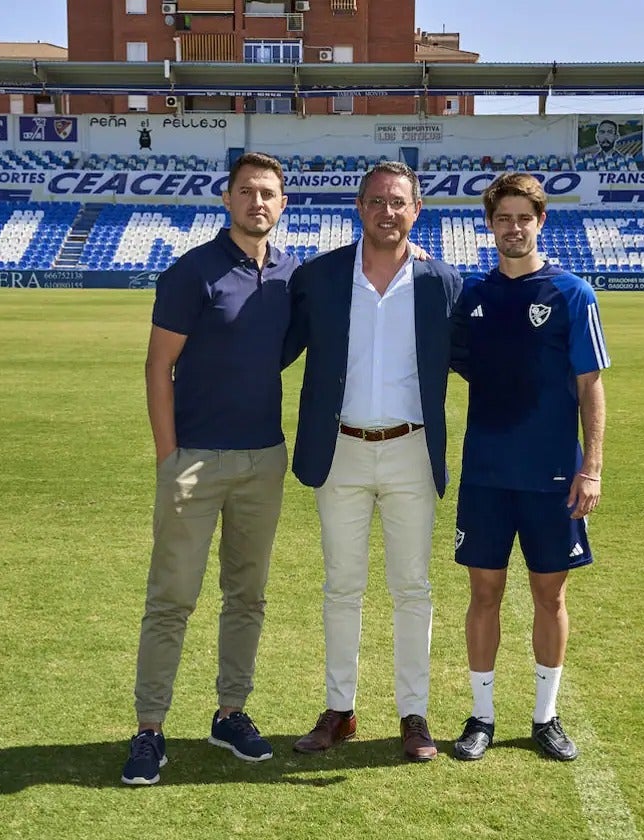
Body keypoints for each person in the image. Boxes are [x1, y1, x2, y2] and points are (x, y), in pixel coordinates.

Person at [121, 152, 297, 785]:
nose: (258, 202)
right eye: (247, 191)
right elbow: (156, 368)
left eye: (269, 193)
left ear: (283, 204)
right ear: (227, 200)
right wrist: (169, 457)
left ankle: (231, 713)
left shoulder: (288, 276)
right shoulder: (191, 272)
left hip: (263, 461)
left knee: (246, 595)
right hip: (193, 461)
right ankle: (149, 729)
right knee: (171, 599)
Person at [282, 161, 463, 763]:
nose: (389, 212)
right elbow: (273, 347)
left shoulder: (442, 281)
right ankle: (340, 709)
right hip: (341, 451)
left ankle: (414, 715)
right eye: (378, 201)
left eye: (400, 203)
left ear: (418, 210)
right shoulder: (321, 276)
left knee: (413, 588)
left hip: (412, 449)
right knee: (342, 586)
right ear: (360, 208)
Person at [449, 172, 610, 762]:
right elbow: (456, 364)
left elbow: (591, 385)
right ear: (490, 225)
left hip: (552, 476)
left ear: (540, 222)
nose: (513, 228)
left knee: (550, 595)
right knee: (483, 592)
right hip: (486, 472)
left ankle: (546, 717)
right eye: (503, 218)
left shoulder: (573, 294)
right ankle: (482, 716)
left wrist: (590, 467)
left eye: (524, 217)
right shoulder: (474, 296)